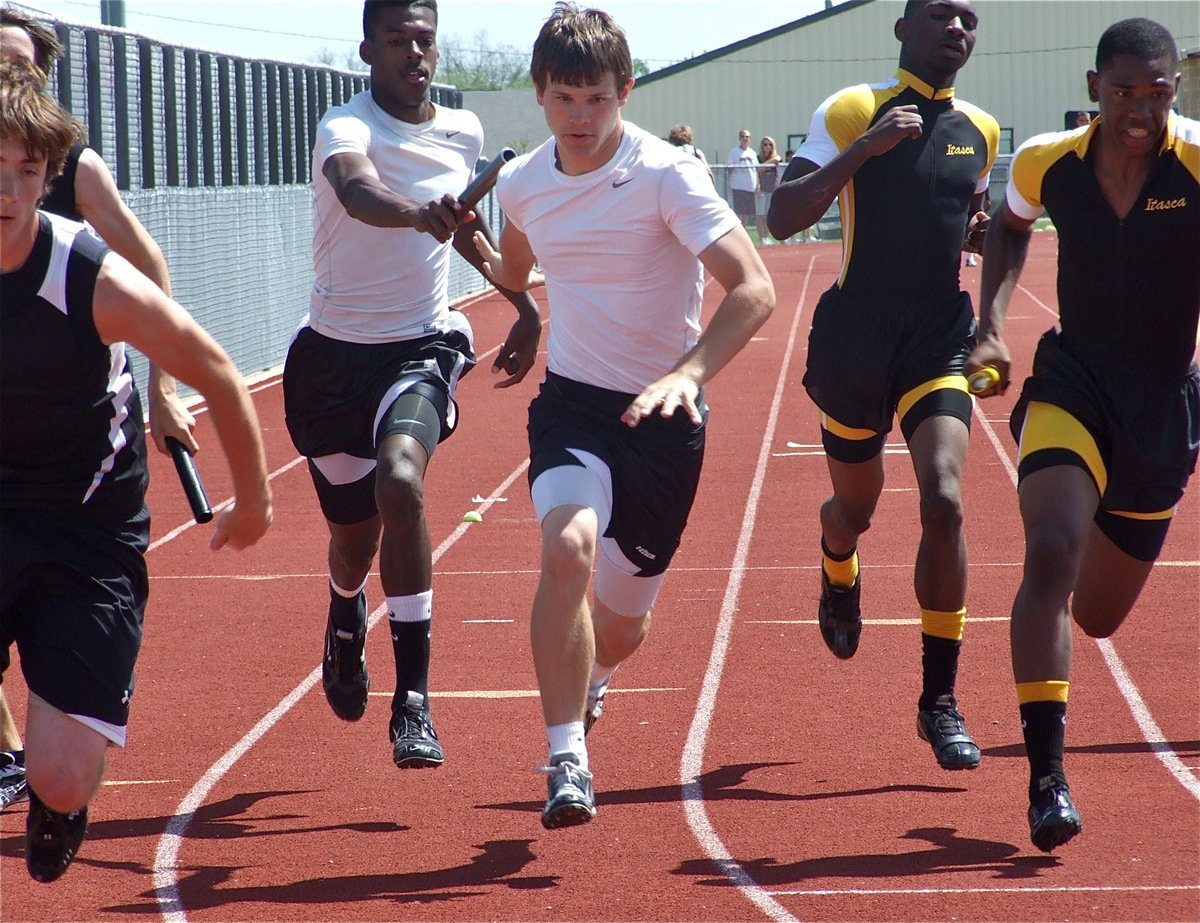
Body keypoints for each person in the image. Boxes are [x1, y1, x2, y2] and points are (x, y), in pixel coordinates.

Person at [474, 2, 774, 830]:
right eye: (565, 99)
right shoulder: (524, 181)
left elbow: (754, 289)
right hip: (572, 405)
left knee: (621, 625)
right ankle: (566, 755)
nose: (580, 117)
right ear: (539, 95)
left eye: (596, 99)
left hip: (665, 421)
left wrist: (686, 374)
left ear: (626, 91)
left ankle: (596, 680)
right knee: (566, 550)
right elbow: (515, 265)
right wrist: (470, 245)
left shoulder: (669, 174)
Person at [1, 58, 273, 883]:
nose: (6, 192)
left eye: (24, 172)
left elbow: (220, 371)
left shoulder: (86, 275)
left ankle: (62, 794)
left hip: (86, 525)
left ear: (48, 179)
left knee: (59, 770)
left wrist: (255, 499)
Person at [282, 0, 541, 772]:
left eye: (425, 39)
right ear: (369, 49)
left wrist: (522, 305)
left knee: (402, 478)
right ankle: (342, 607)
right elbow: (361, 194)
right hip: (331, 365)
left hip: (420, 347)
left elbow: (466, 226)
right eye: (398, 40)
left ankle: (414, 702)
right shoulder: (345, 126)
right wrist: (415, 213)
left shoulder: (462, 133)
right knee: (353, 542)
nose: (414, 52)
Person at [968, 18, 1199, 853]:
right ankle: (1046, 779)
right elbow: (1010, 224)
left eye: (1157, 90)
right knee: (1052, 550)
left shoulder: (1198, 163)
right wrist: (991, 326)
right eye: (1123, 90)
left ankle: (1106, 519)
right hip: (1073, 382)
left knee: (1098, 615)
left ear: (1176, 86)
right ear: (1094, 86)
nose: (1140, 107)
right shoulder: (1047, 161)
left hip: (1163, 406)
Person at [768, 0, 998, 772]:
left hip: (938, 335)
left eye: (969, 17)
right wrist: (862, 151)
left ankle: (939, 700)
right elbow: (782, 216)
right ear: (903, 28)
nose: (956, 28)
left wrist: (976, 234)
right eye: (939, 14)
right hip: (856, 339)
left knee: (945, 497)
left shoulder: (981, 131)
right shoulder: (854, 109)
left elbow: (966, 216)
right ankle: (838, 563)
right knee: (855, 510)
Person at [0, 3, 201, 817]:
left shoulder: (76, 168)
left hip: (77, 423)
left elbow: (146, 260)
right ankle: (16, 756)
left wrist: (163, 386)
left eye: (16, 62)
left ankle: (51, 769)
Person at [726, 128, 759, 231]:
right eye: (743, 137)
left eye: (747, 137)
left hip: (750, 187)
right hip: (738, 186)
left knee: (746, 213)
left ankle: (744, 231)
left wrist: (758, 185)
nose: (745, 139)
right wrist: (729, 183)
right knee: (739, 213)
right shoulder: (734, 152)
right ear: (739, 138)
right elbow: (729, 168)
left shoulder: (752, 153)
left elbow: (756, 170)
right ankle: (738, 232)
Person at [756, 135, 783, 243]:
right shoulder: (758, 158)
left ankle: (766, 237)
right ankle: (761, 238)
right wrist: (770, 162)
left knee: (768, 215)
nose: (767, 147)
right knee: (760, 215)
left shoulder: (776, 157)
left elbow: (778, 159)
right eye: (765, 144)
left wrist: (771, 161)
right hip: (761, 189)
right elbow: (759, 169)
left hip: (772, 189)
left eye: (770, 145)